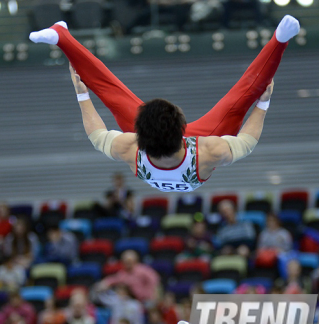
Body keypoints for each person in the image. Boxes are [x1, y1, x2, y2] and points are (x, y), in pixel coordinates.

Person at [29, 16, 300, 193]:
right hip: (192, 163)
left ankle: (61, 36)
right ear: (185, 133)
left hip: (158, 151)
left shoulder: (131, 148)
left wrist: (82, 95)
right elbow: (247, 141)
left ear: (138, 133)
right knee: (242, 98)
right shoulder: (207, 151)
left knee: (108, 91)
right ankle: (279, 40)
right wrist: (261, 104)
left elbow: (96, 135)